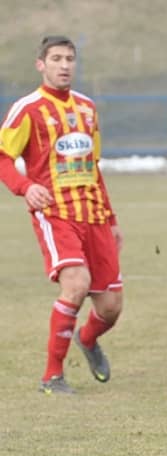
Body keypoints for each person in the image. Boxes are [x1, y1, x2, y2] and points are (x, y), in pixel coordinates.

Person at [0, 36, 123, 394]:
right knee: (76, 284)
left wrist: (112, 218)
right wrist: (25, 187)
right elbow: (3, 157)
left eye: (69, 58)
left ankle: (87, 339)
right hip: (55, 213)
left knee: (111, 307)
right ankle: (52, 376)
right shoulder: (28, 108)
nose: (64, 65)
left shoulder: (87, 108)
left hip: (94, 215)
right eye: (56, 58)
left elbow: (93, 167)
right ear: (41, 64)